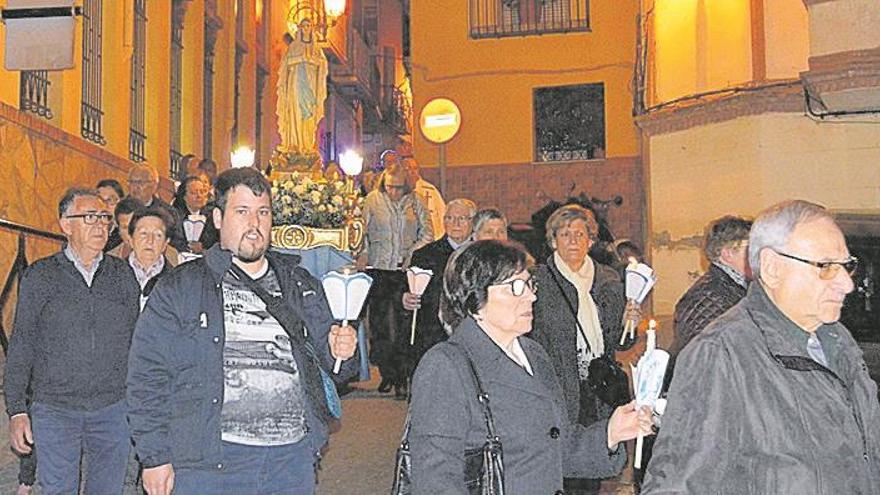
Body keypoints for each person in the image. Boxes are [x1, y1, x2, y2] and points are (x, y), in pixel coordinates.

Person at [127, 168, 358, 495]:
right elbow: (146, 374)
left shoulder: (300, 283)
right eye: (242, 211)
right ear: (218, 218)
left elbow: (336, 367)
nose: (255, 223)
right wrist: (155, 457)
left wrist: (342, 351)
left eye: (263, 212)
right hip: (212, 463)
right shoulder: (183, 286)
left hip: (289, 460)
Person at [643, 200, 880, 493]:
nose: (847, 284)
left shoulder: (837, 340)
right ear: (771, 268)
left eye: (847, 266)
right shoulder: (721, 354)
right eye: (825, 266)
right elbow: (678, 485)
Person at [409, 240, 653, 493]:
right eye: (515, 287)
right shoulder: (447, 366)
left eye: (529, 284)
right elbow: (435, 479)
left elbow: (554, 444)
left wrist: (610, 434)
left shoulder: (533, 354)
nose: (531, 295)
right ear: (475, 299)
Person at [5, 188, 141, 494]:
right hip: (55, 409)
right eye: (90, 217)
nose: (101, 226)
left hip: (113, 409)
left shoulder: (123, 276)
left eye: (105, 218)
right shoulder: (40, 277)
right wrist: (16, 410)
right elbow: (22, 344)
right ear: (66, 225)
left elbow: (137, 343)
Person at [530, 204, 631, 494]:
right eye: (564, 234)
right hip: (557, 388)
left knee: (595, 459)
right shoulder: (538, 281)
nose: (573, 241)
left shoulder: (609, 279)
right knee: (561, 463)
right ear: (552, 240)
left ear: (591, 239)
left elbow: (621, 342)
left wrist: (630, 323)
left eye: (580, 234)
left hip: (597, 388)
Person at [358, 163, 433, 394]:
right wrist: (363, 254)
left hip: (403, 271)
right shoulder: (372, 200)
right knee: (379, 325)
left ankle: (402, 375)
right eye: (390, 187)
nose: (394, 192)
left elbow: (427, 232)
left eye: (398, 188)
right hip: (378, 269)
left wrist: (413, 253)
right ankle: (387, 372)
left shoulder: (416, 201)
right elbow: (361, 231)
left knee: (403, 325)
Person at [402, 198, 477, 386]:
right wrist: (406, 298)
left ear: (472, 222)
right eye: (450, 218)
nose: (456, 224)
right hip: (433, 331)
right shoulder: (424, 255)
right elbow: (407, 292)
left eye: (462, 219)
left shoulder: (481, 253)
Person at [672, 215, 752, 357]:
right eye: (750, 248)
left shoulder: (736, 287)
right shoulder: (708, 296)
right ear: (727, 254)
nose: (758, 255)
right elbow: (705, 356)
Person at [275, 22, 328, 155]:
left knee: (308, 116)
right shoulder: (293, 47)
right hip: (295, 85)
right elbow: (286, 64)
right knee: (295, 113)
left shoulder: (316, 49)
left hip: (310, 86)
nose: (306, 29)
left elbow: (322, 65)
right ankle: (294, 144)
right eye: (303, 26)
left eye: (308, 26)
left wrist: (311, 60)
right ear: (299, 29)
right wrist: (301, 58)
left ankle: (306, 145)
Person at [127, 164, 187, 252]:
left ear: (154, 185)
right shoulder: (121, 209)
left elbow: (178, 243)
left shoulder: (168, 212)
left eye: (140, 182)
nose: (136, 187)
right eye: (132, 182)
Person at [127, 207, 177, 309]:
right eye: (143, 233)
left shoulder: (176, 281)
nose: (150, 241)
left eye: (158, 235)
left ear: (166, 243)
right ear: (131, 239)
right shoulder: (112, 275)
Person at [171, 175, 219, 254]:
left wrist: (203, 249)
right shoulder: (174, 216)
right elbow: (173, 241)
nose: (199, 196)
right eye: (194, 193)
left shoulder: (212, 216)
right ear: (184, 197)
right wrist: (188, 247)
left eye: (202, 192)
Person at [403, 157, 445, 239]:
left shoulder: (430, 189)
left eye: (415, 168)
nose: (412, 172)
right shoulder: (398, 191)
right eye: (407, 169)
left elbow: (442, 213)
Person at [97, 178, 126, 252]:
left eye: (110, 200)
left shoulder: (125, 233)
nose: (105, 206)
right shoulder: (89, 229)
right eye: (100, 200)